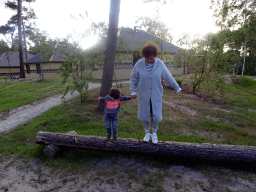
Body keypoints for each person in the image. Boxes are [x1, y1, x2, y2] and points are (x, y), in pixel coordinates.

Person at [130, 42, 182, 144]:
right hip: (143, 94)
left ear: (155, 55)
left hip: (156, 94)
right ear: (144, 55)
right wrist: (132, 91)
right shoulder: (139, 64)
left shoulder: (160, 64)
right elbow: (133, 78)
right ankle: (146, 133)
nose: (150, 59)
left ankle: (154, 133)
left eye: (152, 57)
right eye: (148, 57)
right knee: (144, 114)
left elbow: (168, 76)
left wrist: (177, 88)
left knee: (156, 114)